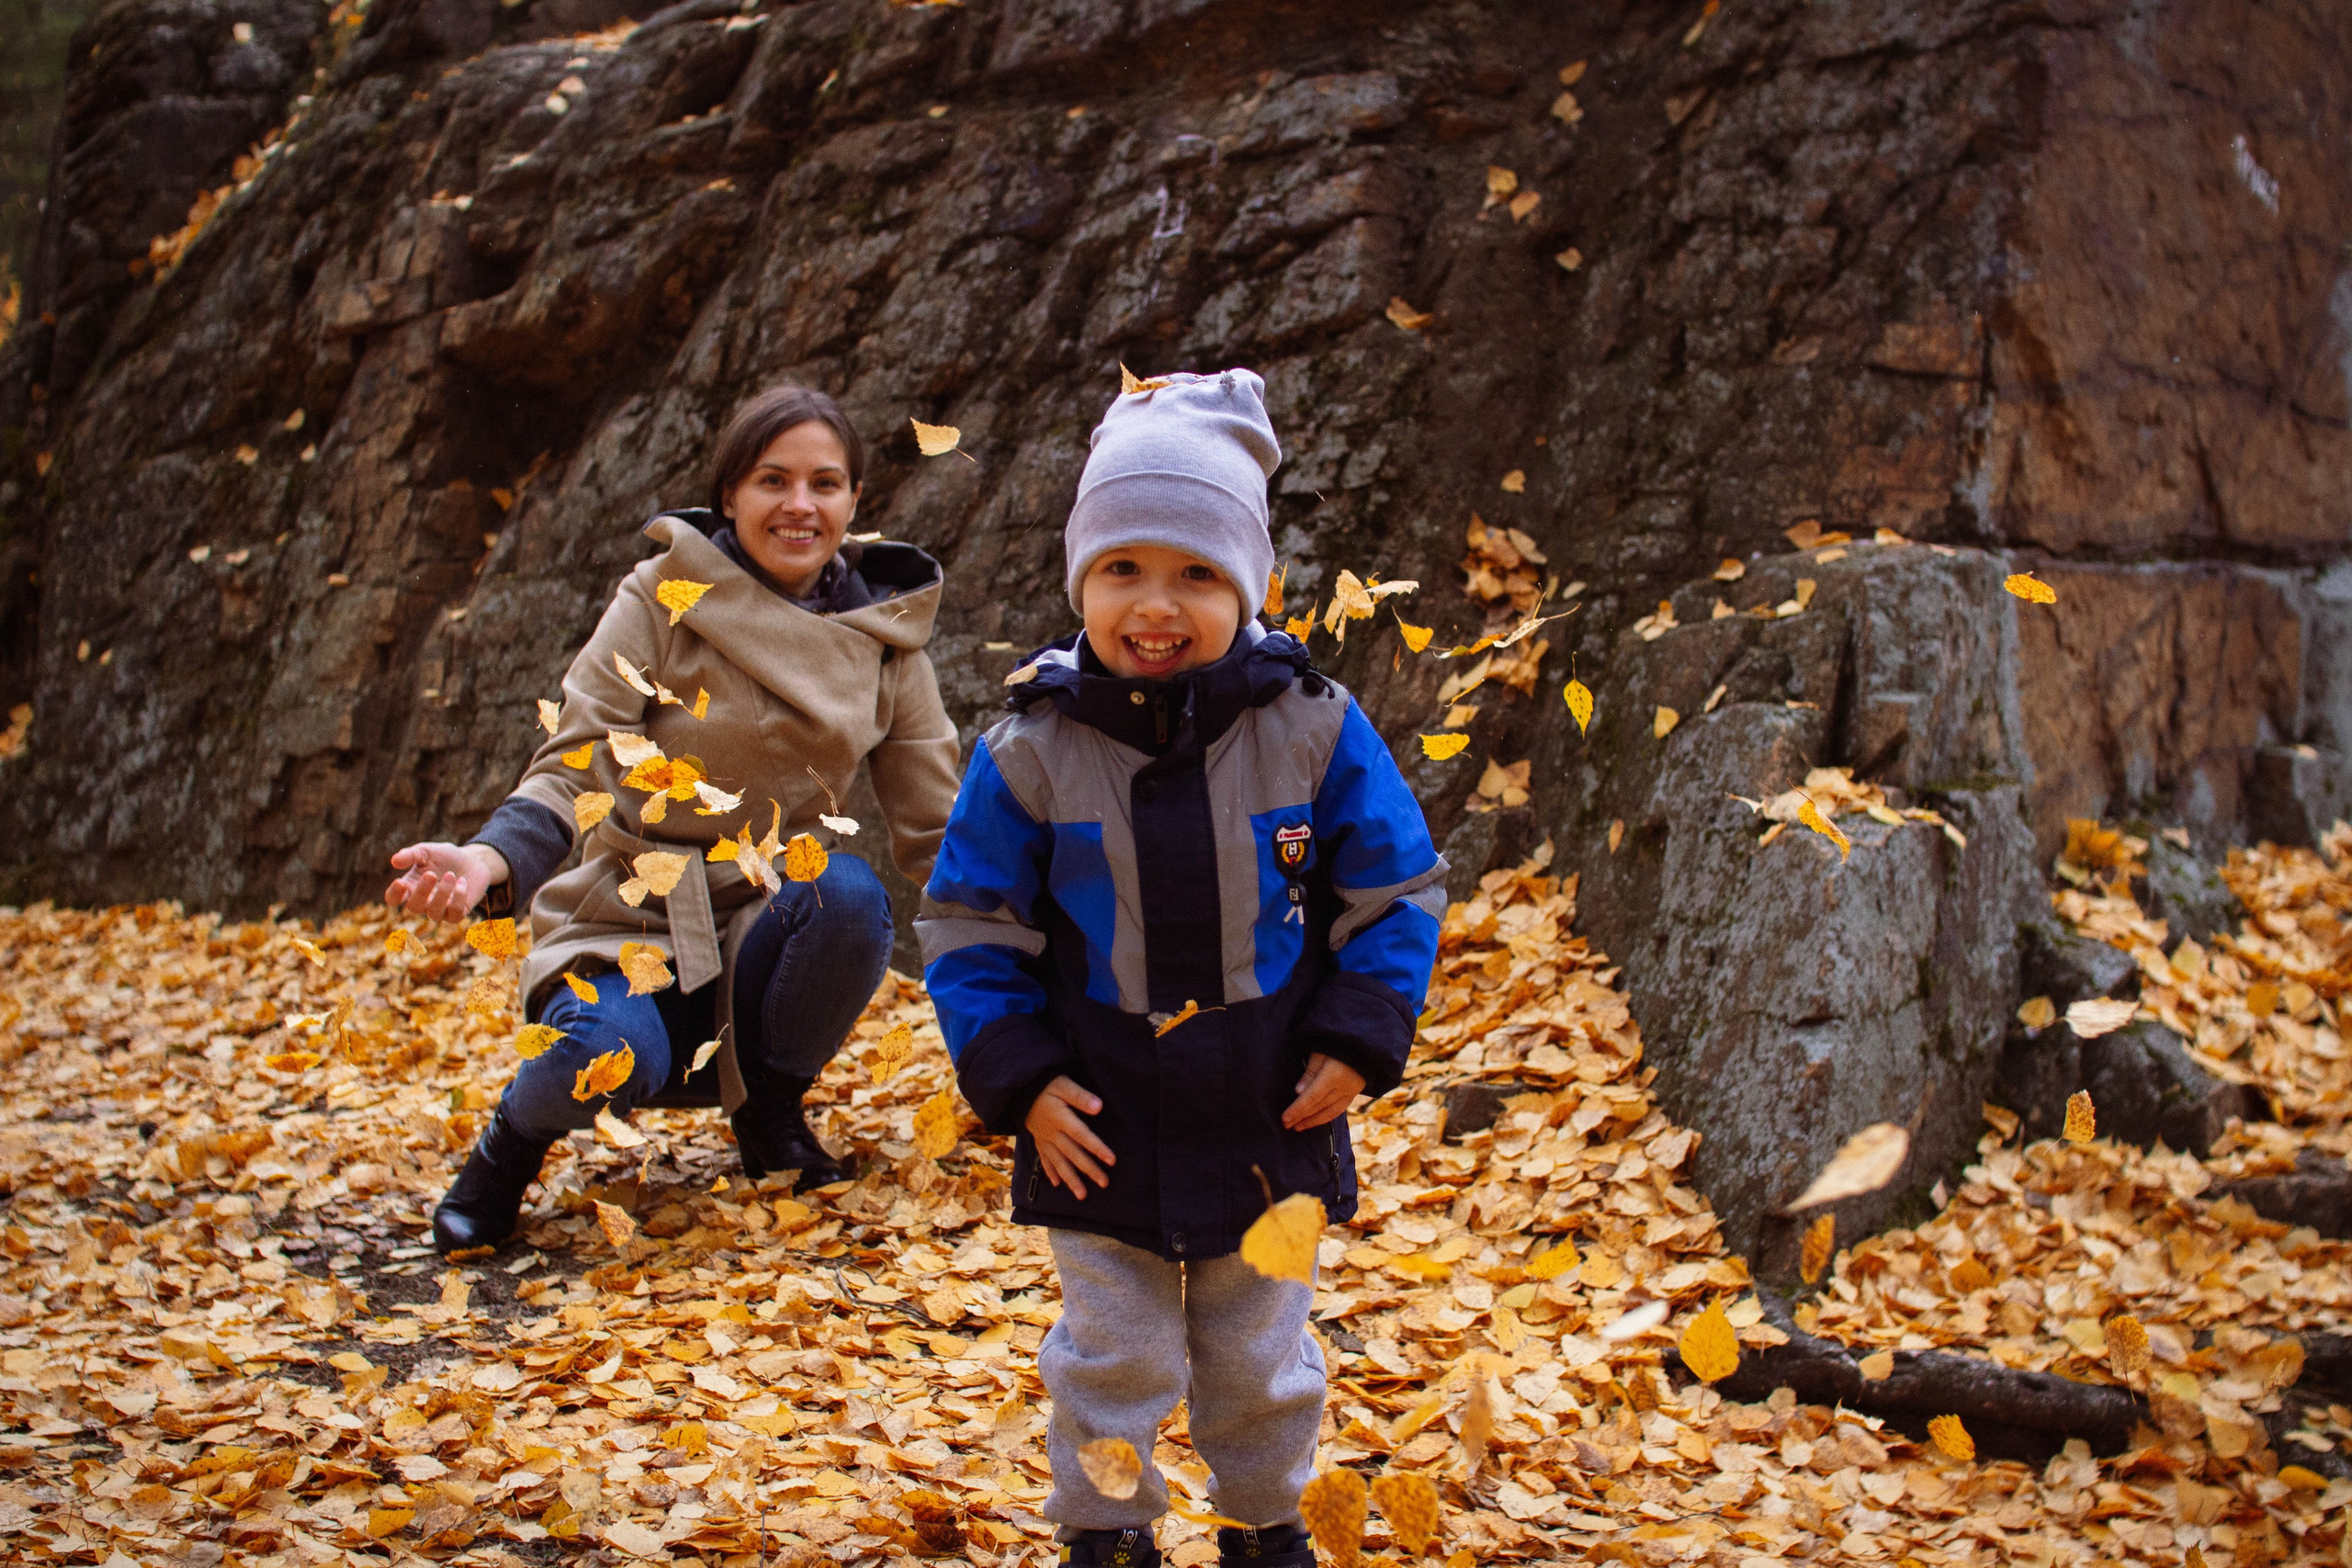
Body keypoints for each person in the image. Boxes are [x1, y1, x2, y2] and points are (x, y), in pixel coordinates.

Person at [918, 370, 1445, 1568]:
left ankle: (1269, 1526)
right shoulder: (1034, 747)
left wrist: (1361, 1032)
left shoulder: (1311, 723)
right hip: (1097, 1108)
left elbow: (1397, 886)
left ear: (1253, 585)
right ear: (1080, 581)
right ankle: (1109, 1533)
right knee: (1116, 1353)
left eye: (1196, 573)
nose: (1155, 605)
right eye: (1122, 569)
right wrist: (1021, 1078)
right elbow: (967, 923)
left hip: (1270, 1095)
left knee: (1261, 1354)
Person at [386, 384, 961, 1253]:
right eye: (773, 480)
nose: (800, 505)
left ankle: (768, 1111)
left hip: (772, 924)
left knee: (845, 894)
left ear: (853, 501)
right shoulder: (664, 594)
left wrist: (1046, 930)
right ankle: (509, 1144)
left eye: (825, 483)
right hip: (630, 914)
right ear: (731, 495)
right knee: (605, 1055)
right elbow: (575, 754)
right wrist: (487, 862)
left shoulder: (885, 635)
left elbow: (937, 831)